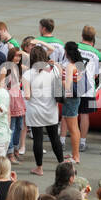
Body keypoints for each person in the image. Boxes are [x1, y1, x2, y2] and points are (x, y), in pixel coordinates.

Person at [23, 43, 63, 176]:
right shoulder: (53, 70)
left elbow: (27, 96)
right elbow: (59, 86)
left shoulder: (28, 74)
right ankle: (61, 162)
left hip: (35, 110)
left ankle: (39, 167)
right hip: (51, 109)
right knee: (54, 138)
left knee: (38, 139)